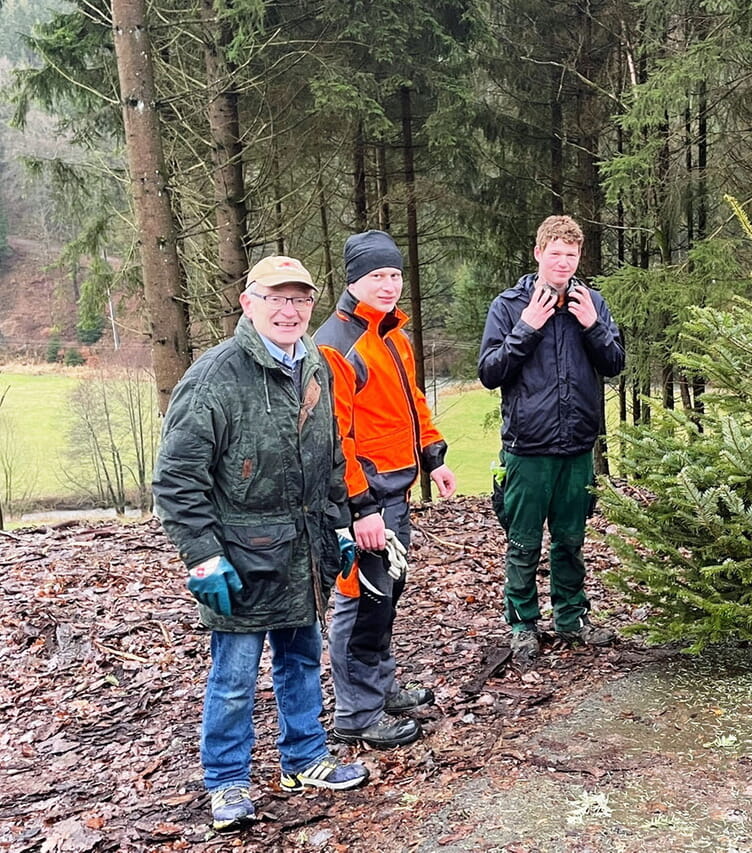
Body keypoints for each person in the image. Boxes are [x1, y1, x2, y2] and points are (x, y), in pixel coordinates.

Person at [153, 256, 368, 833]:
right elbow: (177, 479)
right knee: (234, 676)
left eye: (299, 300)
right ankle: (226, 781)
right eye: (276, 298)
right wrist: (202, 555)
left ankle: (305, 758)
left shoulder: (316, 368)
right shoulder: (215, 376)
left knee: (301, 659)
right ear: (249, 303)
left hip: (304, 549)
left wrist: (340, 525)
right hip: (241, 556)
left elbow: (329, 458)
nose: (288, 310)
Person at [315, 230, 457, 750]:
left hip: (396, 494)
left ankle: (380, 689)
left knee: (386, 596)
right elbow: (336, 438)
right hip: (364, 504)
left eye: (395, 274)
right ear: (353, 279)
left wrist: (433, 455)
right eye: (377, 275)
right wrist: (360, 507)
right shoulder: (335, 345)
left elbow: (412, 403)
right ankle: (356, 715)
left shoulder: (393, 336)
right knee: (360, 599)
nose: (389, 284)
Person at [478, 215, 625, 670]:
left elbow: (615, 362)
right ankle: (522, 625)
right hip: (528, 447)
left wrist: (592, 325)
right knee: (523, 543)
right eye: (556, 253)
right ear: (539, 253)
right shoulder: (509, 306)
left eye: (572, 254)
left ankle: (571, 619)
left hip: (578, 446)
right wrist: (528, 326)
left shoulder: (591, 302)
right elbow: (489, 371)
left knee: (570, 540)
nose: (563, 262)